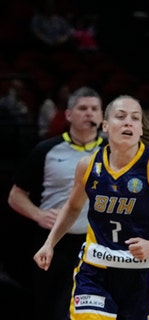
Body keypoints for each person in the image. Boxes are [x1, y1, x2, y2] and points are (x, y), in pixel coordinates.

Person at [32, 95, 149, 319]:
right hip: (95, 269)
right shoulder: (88, 165)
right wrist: (49, 243)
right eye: (120, 117)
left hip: (141, 276)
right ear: (105, 126)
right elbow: (73, 207)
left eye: (135, 118)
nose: (128, 122)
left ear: (141, 129)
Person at [8, 86, 105, 320]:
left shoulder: (113, 152)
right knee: (50, 309)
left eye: (95, 109)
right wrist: (38, 215)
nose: (89, 113)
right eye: (83, 108)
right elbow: (15, 195)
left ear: (102, 116)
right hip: (54, 243)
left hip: (96, 245)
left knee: (88, 311)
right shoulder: (47, 149)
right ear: (69, 115)